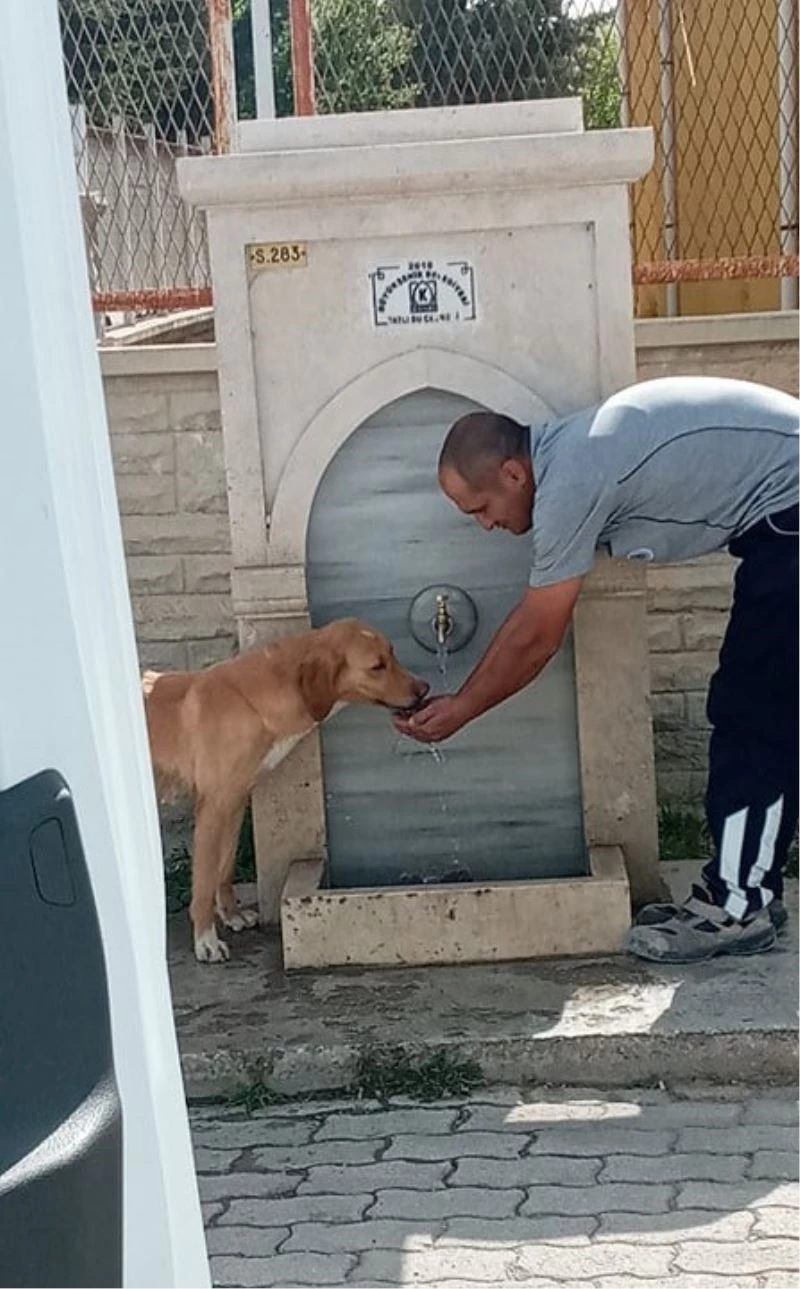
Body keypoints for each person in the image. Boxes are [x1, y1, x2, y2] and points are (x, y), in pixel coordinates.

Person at [393, 376, 799, 963]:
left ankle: (737, 907)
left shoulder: (570, 480)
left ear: (513, 473)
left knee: (753, 716)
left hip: (789, 516)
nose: (484, 525)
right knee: (763, 711)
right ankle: (746, 888)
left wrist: (461, 709)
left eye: (481, 508)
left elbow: (537, 635)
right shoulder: (574, 454)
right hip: (781, 522)